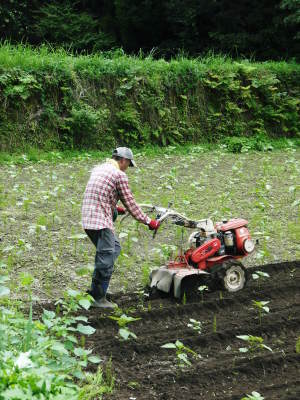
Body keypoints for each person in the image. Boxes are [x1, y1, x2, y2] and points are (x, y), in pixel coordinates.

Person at [82, 147, 160, 309]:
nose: (127, 168)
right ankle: (98, 297)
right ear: (123, 160)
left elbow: (99, 194)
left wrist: (115, 208)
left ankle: (95, 291)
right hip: (100, 221)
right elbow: (131, 204)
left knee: (114, 249)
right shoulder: (119, 175)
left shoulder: (99, 168)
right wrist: (149, 222)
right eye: (128, 164)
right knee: (107, 255)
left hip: (88, 218)